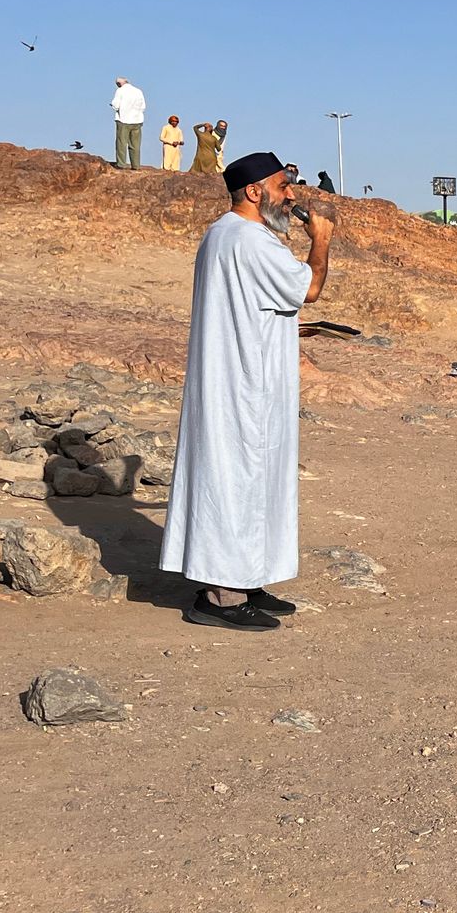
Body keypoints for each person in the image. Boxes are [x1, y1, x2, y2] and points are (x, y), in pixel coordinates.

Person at [159, 152, 336, 631]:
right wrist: (320, 240)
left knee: (254, 479)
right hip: (243, 385)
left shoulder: (224, 233)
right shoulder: (249, 240)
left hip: (245, 376)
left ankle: (246, 577)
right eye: (283, 186)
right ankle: (220, 596)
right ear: (255, 191)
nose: (292, 195)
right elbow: (309, 290)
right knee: (236, 480)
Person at [110, 77, 146, 169]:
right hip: (137, 120)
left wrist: (113, 105)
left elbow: (116, 105)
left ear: (119, 84)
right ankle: (136, 165)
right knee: (135, 145)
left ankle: (121, 164)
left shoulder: (120, 91)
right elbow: (143, 106)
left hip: (123, 119)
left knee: (121, 143)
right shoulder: (138, 91)